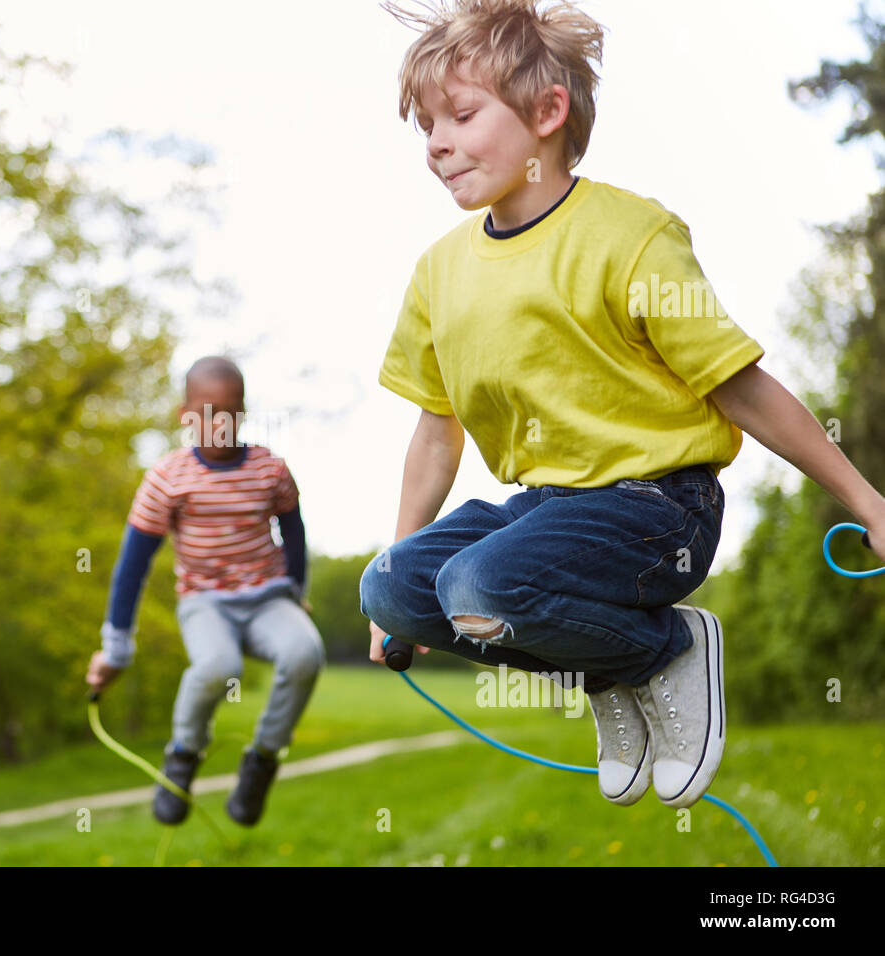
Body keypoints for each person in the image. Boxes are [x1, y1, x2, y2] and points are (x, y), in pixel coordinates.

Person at [360, 0, 885, 809]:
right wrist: (398, 585)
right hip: (544, 514)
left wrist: (864, 498)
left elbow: (737, 384)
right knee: (392, 584)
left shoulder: (629, 236)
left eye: (461, 115)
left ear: (547, 111)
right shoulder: (438, 272)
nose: (436, 142)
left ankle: (663, 651)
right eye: (426, 123)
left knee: (477, 588)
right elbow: (437, 433)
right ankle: (612, 669)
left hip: (658, 509)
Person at [86, 356, 326, 827]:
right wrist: (116, 647)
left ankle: (261, 760)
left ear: (244, 413)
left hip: (267, 597)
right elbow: (133, 565)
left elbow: (294, 532)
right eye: (209, 412)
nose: (221, 424)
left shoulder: (269, 469)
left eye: (232, 412)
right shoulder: (168, 478)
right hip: (205, 602)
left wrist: (295, 591)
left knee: (305, 654)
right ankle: (183, 755)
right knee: (219, 666)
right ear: (185, 414)